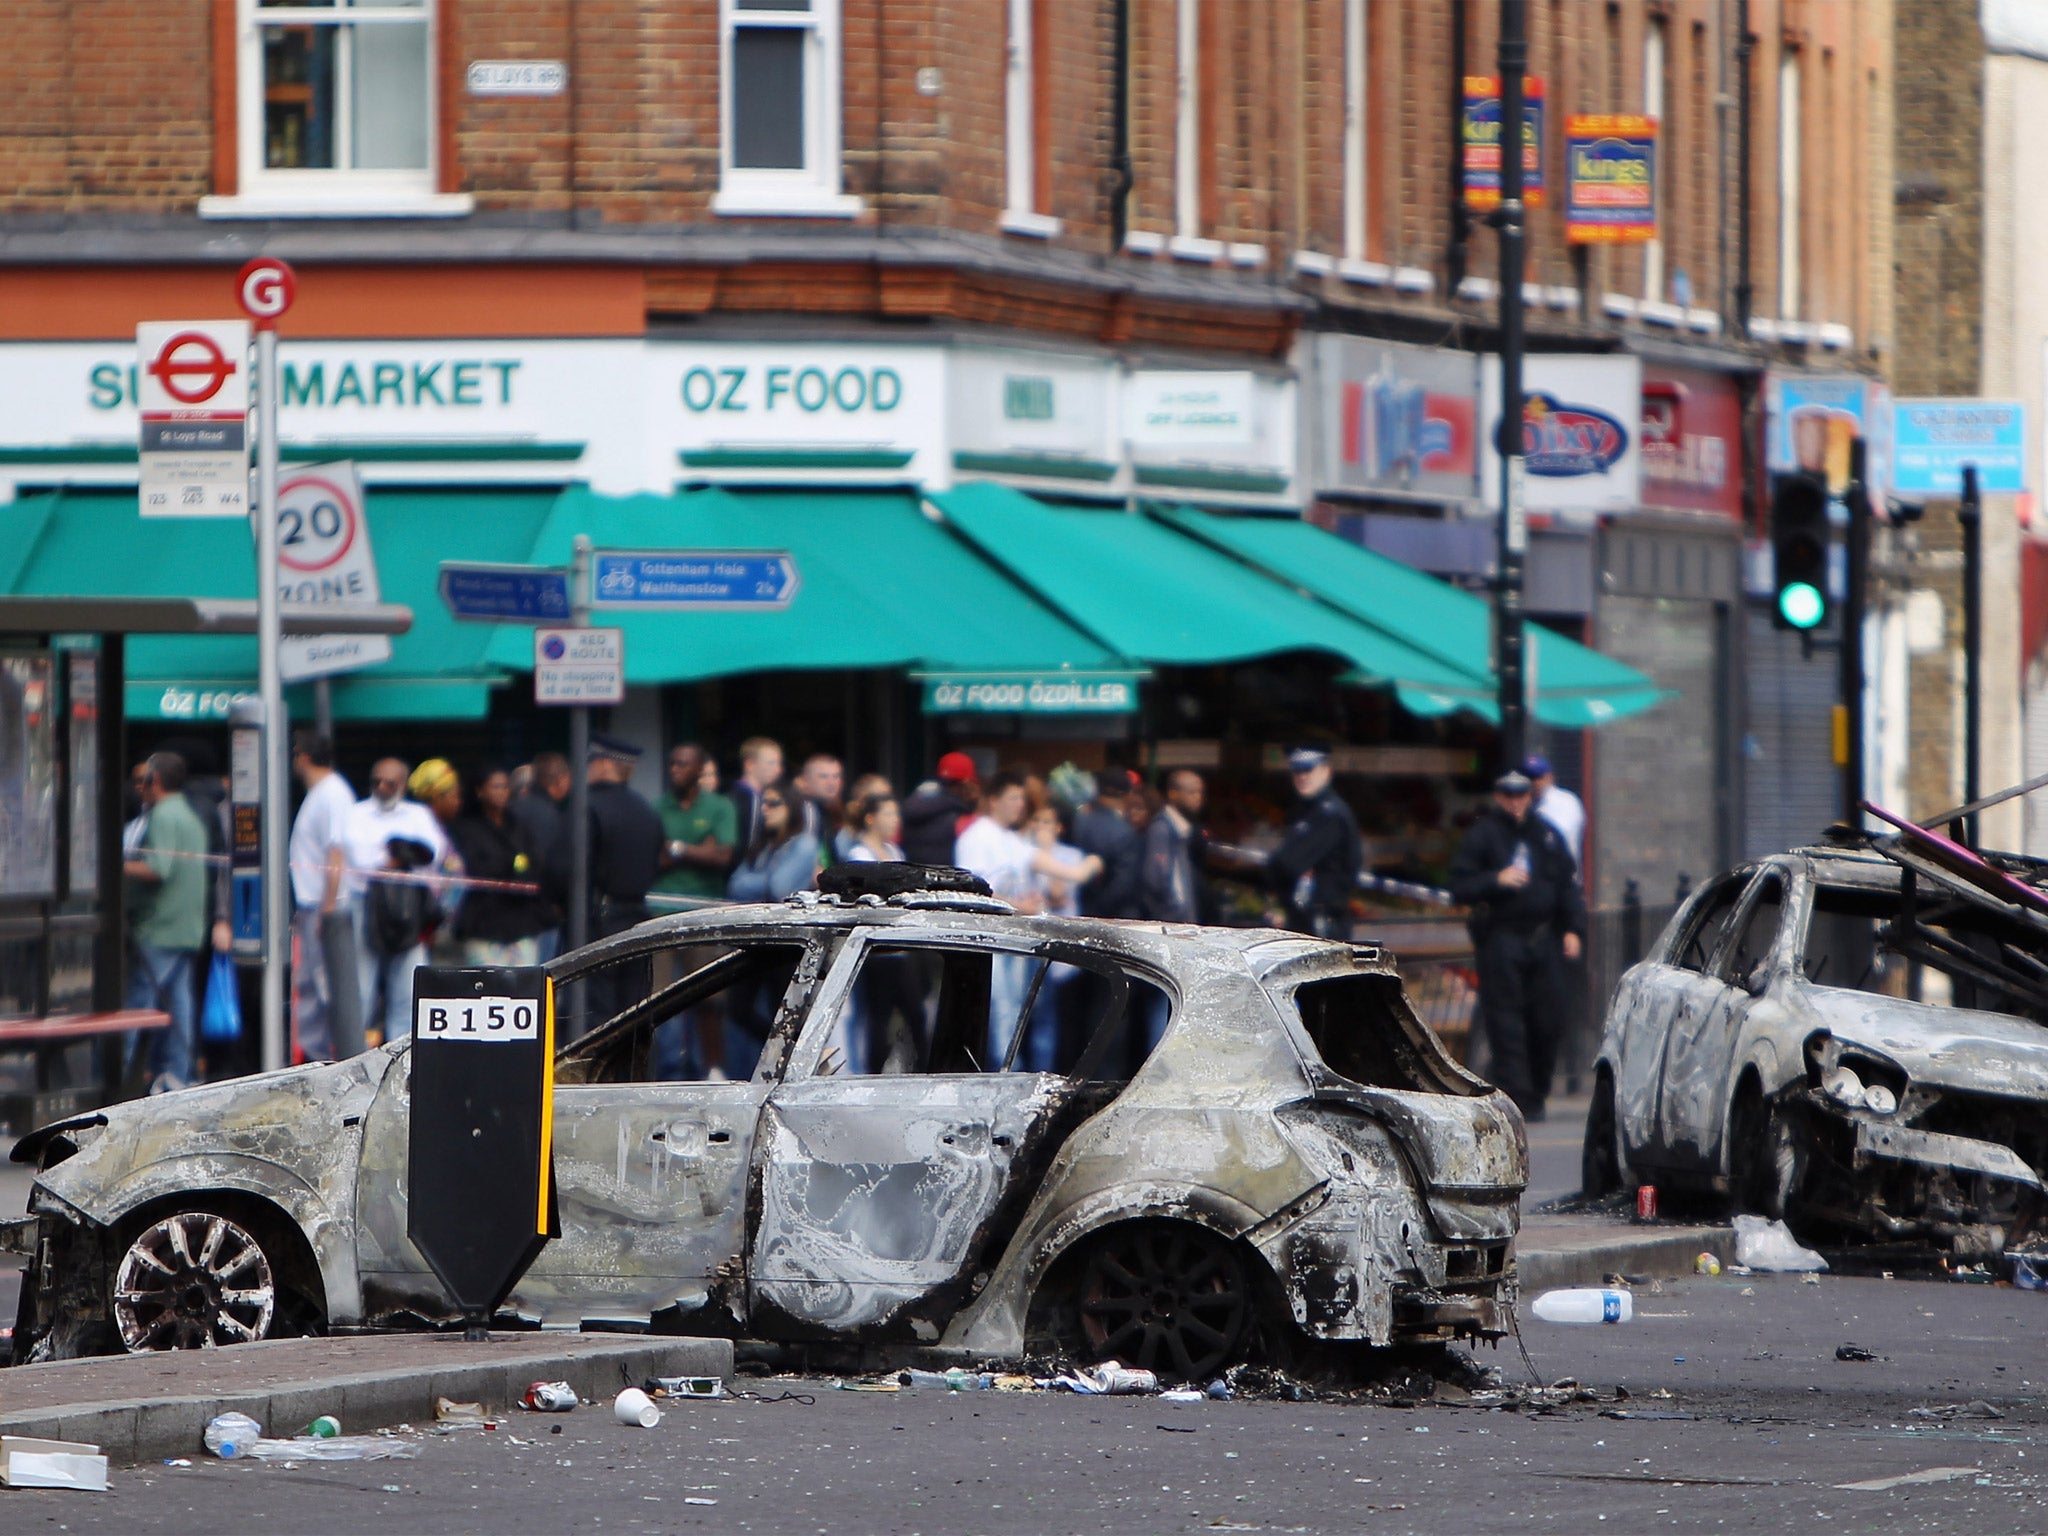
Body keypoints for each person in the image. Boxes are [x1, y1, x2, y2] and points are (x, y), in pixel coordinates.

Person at [1448, 769, 1588, 1121]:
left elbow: (1567, 886)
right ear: (1499, 796)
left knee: (1547, 1018)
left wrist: (1573, 929)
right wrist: (1495, 879)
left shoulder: (1546, 835)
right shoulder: (1484, 835)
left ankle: (1538, 1090)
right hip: (1502, 936)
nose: (1515, 801)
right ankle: (1517, 1097)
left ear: (1530, 796)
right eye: (1508, 794)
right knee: (1506, 1023)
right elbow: (1460, 885)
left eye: (1521, 794)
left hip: (1544, 938)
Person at [954, 773, 1101, 1065]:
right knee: (1001, 1019)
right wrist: (1019, 905)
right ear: (993, 800)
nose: (1019, 805)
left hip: (1015, 941)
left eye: (1021, 799)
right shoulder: (975, 837)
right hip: (990, 941)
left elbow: (1049, 867)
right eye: (1013, 798)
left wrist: (1090, 865)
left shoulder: (1011, 839)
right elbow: (971, 892)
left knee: (1016, 1020)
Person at [122, 752, 211, 1093]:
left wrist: (110, 863)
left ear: (154, 781)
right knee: (179, 1006)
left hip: (159, 926)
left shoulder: (162, 816)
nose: (139, 788)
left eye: (143, 781)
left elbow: (158, 868)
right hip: (187, 926)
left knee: (139, 1003)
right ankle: (177, 1074)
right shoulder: (190, 816)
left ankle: (118, 1075)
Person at [346, 757, 448, 1044]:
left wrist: (395, 855)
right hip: (367, 907)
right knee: (362, 987)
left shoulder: (418, 815)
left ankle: (402, 1053)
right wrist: (402, 854)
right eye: (376, 781)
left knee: (408, 987)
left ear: (402, 785)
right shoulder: (357, 813)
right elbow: (362, 859)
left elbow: (433, 854)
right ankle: (356, 1054)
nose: (382, 787)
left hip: (408, 911)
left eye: (389, 782)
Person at [724, 779, 819, 1077]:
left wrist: (761, 882)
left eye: (774, 803)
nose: (765, 810)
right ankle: (780, 1054)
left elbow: (780, 887)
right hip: (760, 938)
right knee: (738, 1009)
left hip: (789, 942)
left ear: (791, 808)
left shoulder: (804, 843)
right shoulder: (763, 847)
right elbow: (734, 884)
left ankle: (791, 1061)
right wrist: (763, 881)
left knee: (787, 1011)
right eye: (764, 803)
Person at [288, 730, 364, 1063]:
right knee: (312, 986)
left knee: (326, 986)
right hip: (313, 905)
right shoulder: (322, 793)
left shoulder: (332, 794)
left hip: (325, 907)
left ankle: (331, 1057)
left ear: (303, 756)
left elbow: (337, 852)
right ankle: (318, 1056)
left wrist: (327, 908)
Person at [449, 766, 550, 967]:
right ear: (480, 791)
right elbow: (472, 868)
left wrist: (518, 870)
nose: (502, 792)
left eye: (505, 786)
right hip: (483, 925)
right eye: (496, 786)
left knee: (524, 988)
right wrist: (510, 867)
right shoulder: (466, 829)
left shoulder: (518, 826)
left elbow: (535, 863)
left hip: (520, 924)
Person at [1266, 747, 1362, 938]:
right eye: (1297, 772)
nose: (1302, 777)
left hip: (1323, 919)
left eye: (1308, 771)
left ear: (1326, 772)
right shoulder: (1304, 810)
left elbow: (1288, 863)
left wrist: (1273, 869)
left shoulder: (1329, 813)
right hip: (1304, 915)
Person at [653, 744, 737, 906]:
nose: (674, 769)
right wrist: (702, 850)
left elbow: (722, 857)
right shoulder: (656, 807)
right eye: (672, 764)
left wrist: (675, 848)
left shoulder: (720, 807)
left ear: (699, 770)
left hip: (705, 904)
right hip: (661, 904)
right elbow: (653, 860)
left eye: (682, 764)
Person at [510, 752, 571, 961]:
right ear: (561, 780)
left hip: (510, 910)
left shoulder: (513, 807)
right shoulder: (551, 816)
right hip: (542, 914)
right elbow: (554, 866)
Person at [408, 758, 469, 958]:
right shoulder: (420, 828)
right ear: (436, 796)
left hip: (444, 928)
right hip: (426, 930)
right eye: (454, 795)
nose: (458, 801)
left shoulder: (443, 828)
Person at [1070, 768, 1144, 919]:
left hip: (1077, 908)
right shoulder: (1125, 831)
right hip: (1113, 916)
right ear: (1128, 794)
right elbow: (1123, 884)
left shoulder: (1078, 821)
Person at [1141, 769, 1206, 928]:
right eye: (1191, 792)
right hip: (1169, 923)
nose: (1198, 797)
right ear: (1173, 794)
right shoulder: (1162, 829)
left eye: (1200, 792)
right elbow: (1155, 878)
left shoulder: (1183, 832)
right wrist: (1172, 913)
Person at [901, 751, 979, 866]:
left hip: (912, 876)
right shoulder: (961, 819)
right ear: (965, 783)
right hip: (945, 879)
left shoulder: (914, 803)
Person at [1524, 754, 1586, 873]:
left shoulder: (1566, 801)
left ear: (1549, 778)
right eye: (1529, 778)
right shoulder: (1525, 805)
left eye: (1538, 777)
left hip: (1562, 878)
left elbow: (1558, 838)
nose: (1534, 783)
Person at [730, 736, 784, 864]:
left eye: (778, 763)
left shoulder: (733, 793)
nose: (778, 770)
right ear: (750, 765)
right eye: (771, 763)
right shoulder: (752, 799)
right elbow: (750, 843)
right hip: (746, 868)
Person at [793, 753, 844, 866]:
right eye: (823, 776)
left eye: (836, 776)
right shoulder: (805, 809)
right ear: (805, 781)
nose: (831, 783)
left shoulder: (828, 809)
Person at [836, 772, 892, 861]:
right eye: (880, 797)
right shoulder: (847, 837)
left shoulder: (891, 846)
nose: (887, 802)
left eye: (887, 796)